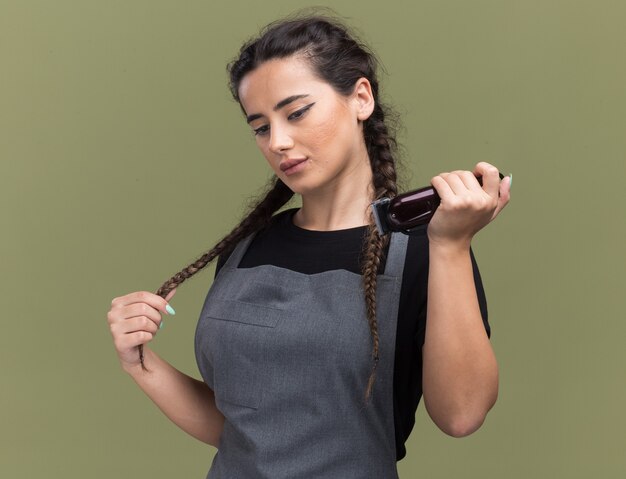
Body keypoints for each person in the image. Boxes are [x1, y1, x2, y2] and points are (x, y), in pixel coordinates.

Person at [106, 12, 511, 478]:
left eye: (297, 112)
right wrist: (141, 364)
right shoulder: (245, 250)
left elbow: (462, 414)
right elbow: (240, 430)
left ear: (361, 98)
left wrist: (451, 247)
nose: (278, 141)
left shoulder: (425, 247)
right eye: (260, 127)